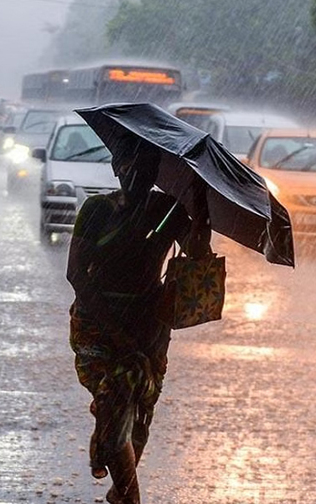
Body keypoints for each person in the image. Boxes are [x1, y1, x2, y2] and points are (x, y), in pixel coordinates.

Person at [66, 148, 211, 504]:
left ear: (155, 173)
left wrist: (201, 205)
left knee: (138, 417)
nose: (135, 174)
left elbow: (197, 255)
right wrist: (114, 328)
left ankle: (121, 492)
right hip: (98, 327)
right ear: (116, 167)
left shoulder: (165, 210)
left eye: (145, 167)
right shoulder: (97, 209)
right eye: (128, 165)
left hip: (148, 330)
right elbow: (75, 273)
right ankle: (131, 497)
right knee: (116, 409)